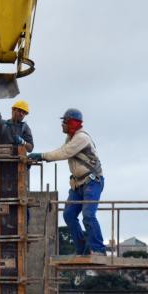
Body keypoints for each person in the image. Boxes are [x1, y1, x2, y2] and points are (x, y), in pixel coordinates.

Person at [28, 108, 105, 255]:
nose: (62, 125)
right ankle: (83, 249)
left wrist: (42, 156)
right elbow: (64, 151)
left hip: (92, 182)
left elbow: (64, 153)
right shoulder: (70, 138)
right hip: (78, 184)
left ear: (73, 123)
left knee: (88, 215)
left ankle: (99, 250)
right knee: (69, 215)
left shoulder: (81, 138)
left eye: (65, 122)